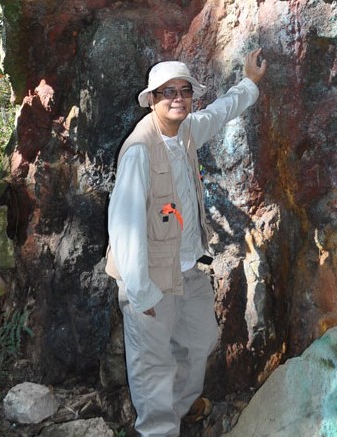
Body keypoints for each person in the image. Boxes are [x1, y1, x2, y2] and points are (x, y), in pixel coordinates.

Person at [105, 48, 267, 437]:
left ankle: (179, 409)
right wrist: (141, 297)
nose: (178, 98)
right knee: (153, 366)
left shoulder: (187, 131)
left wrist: (250, 82)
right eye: (168, 92)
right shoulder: (140, 151)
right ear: (152, 100)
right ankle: (158, 429)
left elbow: (221, 113)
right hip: (149, 279)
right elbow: (124, 228)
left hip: (188, 268)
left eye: (185, 91)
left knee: (200, 340)